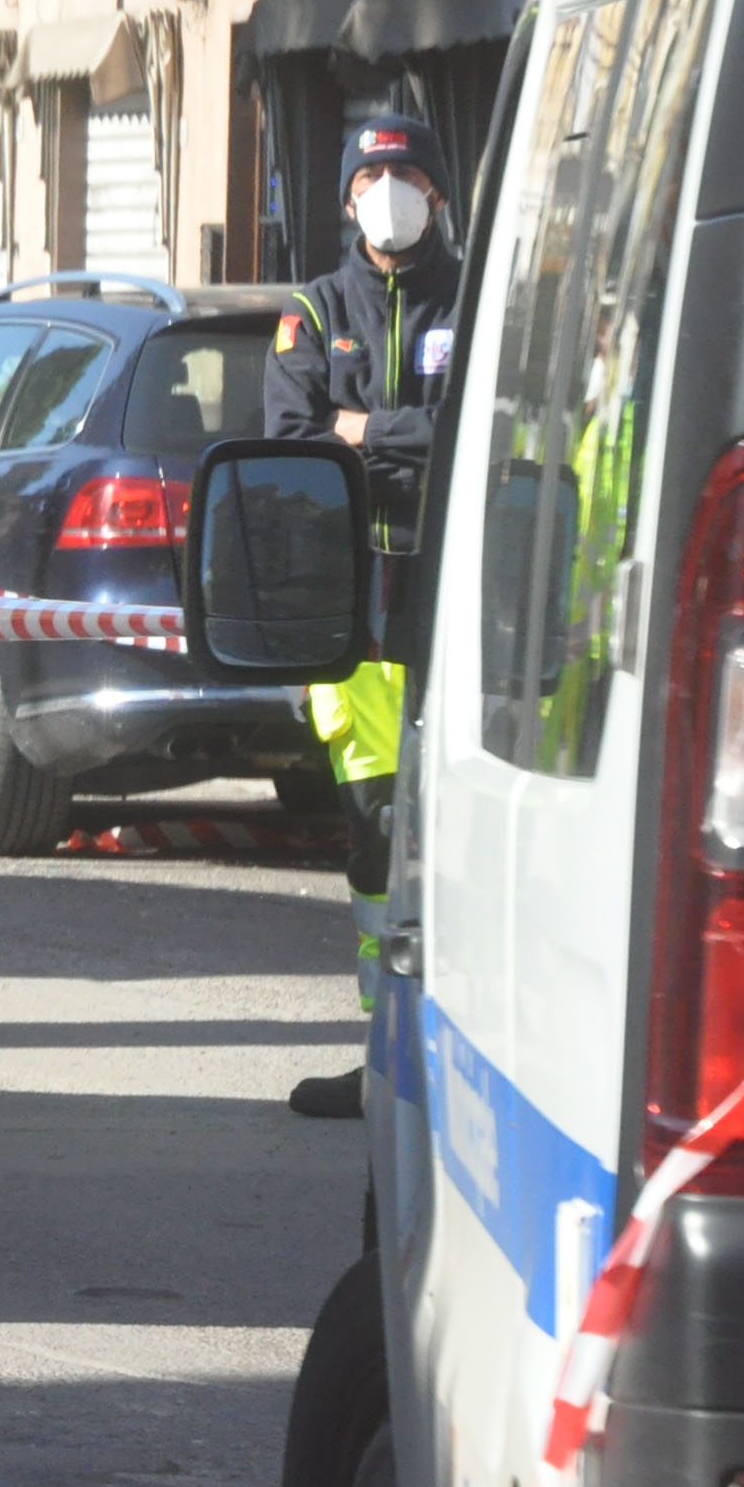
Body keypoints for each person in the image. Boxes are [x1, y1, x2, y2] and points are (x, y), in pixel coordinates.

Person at [262, 111, 460, 1122]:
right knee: (377, 845)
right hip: (351, 622)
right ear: (347, 199)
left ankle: (456, 1063)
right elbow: (292, 437)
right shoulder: (312, 310)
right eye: (372, 176)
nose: (390, 191)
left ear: (434, 189)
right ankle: (387, 1058)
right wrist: (408, 438)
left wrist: (365, 429)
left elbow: (477, 425)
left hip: (459, 612)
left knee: (460, 845)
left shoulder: (474, 301)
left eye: (406, 173)